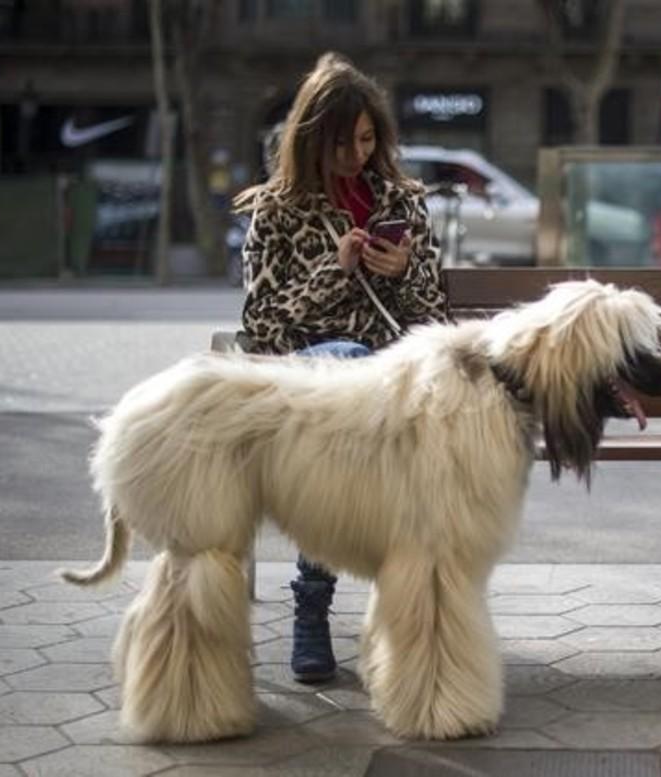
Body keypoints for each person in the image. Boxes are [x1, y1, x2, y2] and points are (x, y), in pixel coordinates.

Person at [232, 52, 449, 683]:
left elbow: (433, 316)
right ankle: (313, 609)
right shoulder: (275, 209)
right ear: (311, 138)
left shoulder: (402, 201)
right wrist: (336, 269)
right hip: (312, 374)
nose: (357, 154)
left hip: (393, 370)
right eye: (342, 141)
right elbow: (264, 325)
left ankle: (409, 619)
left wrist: (402, 272)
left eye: (367, 138)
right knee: (349, 377)